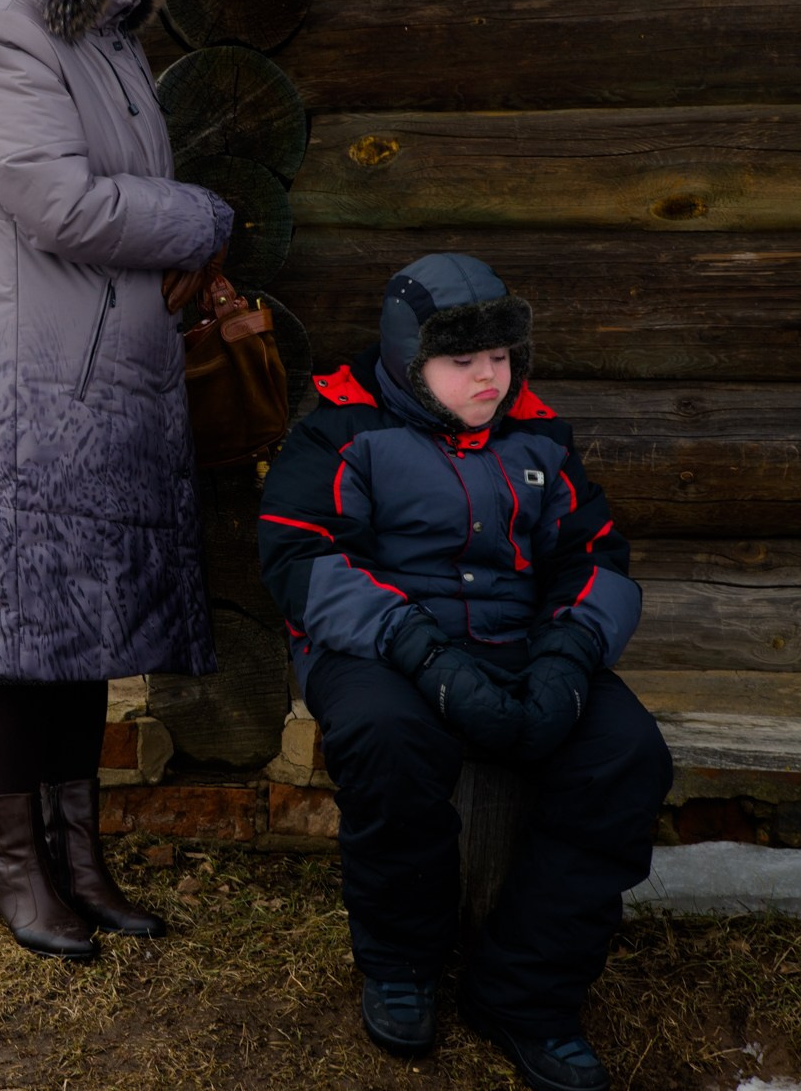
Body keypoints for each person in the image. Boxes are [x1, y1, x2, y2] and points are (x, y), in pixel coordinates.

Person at [257, 253, 673, 1091]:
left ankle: (525, 991)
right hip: (380, 644)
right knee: (390, 741)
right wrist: (421, 651)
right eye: (463, 359)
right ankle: (402, 963)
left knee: (624, 754)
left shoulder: (539, 434)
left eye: (501, 355)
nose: (491, 375)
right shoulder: (342, 426)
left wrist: (567, 655)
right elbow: (299, 555)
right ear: (413, 361)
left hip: (521, 641)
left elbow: (598, 558)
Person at [0, 0, 232, 961]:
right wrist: (200, 216)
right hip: (31, 389)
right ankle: (20, 871)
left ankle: (80, 855)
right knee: (18, 635)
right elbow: (61, 205)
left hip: (104, 379)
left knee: (78, 628)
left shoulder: (108, 48)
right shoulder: (2, 42)